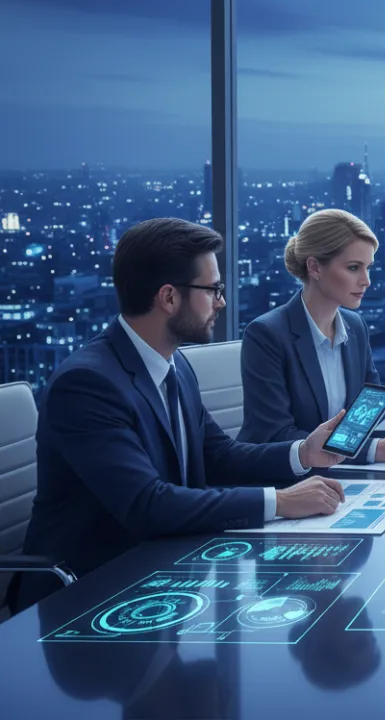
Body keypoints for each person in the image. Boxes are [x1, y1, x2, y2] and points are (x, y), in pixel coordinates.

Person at [11, 219, 347, 613]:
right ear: (169, 298)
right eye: (213, 290)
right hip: (89, 594)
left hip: (166, 571)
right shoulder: (87, 384)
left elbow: (217, 455)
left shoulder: (174, 365)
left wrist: (302, 454)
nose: (221, 302)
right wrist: (280, 501)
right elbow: (147, 505)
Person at [239, 209, 385, 461]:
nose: (366, 280)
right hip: (287, 483)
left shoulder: (355, 326)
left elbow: (369, 410)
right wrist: (374, 451)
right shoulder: (266, 335)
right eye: (354, 268)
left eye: (368, 268)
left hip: (340, 477)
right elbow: (276, 435)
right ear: (314, 267)